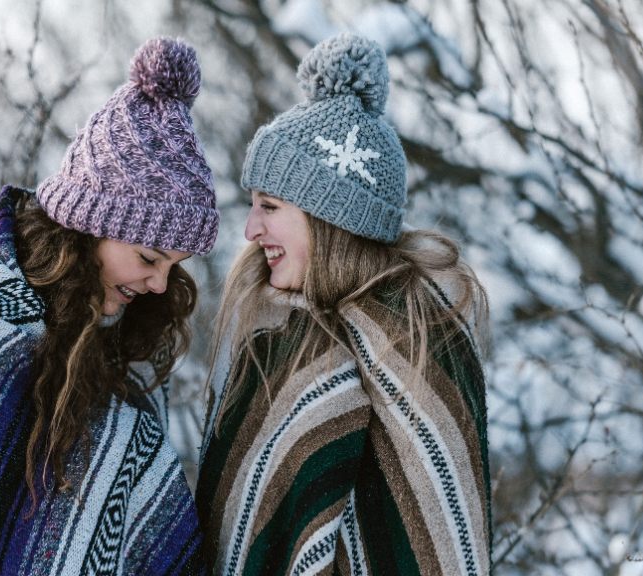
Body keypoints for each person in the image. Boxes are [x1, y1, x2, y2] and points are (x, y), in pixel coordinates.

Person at [0, 37, 217, 576]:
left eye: (174, 265)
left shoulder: (120, 342)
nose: (157, 284)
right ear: (92, 226)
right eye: (149, 257)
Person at [196, 33, 492, 576]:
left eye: (270, 205)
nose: (250, 228)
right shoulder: (275, 336)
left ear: (328, 217)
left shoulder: (426, 343)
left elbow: (446, 537)